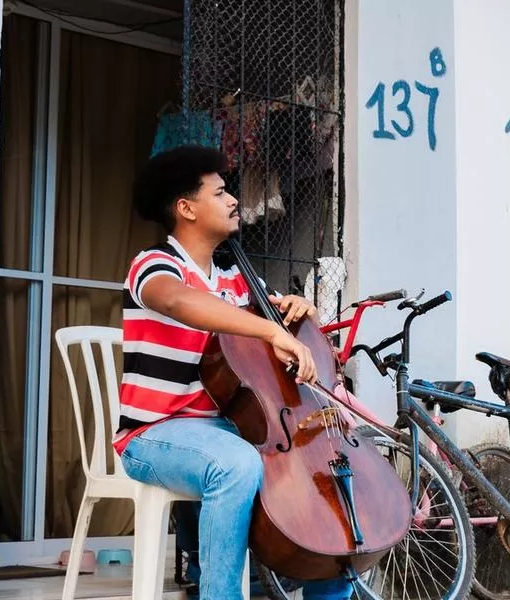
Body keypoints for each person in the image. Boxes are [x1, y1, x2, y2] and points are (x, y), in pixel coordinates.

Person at [114, 145, 352, 599]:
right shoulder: (154, 265)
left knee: (324, 470)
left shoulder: (237, 278)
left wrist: (302, 316)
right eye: (220, 192)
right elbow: (182, 302)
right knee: (236, 464)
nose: (233, 201)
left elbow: (288, 330)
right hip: (156, 435)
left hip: (231, 429)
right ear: (186, 208)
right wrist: (270, 329)